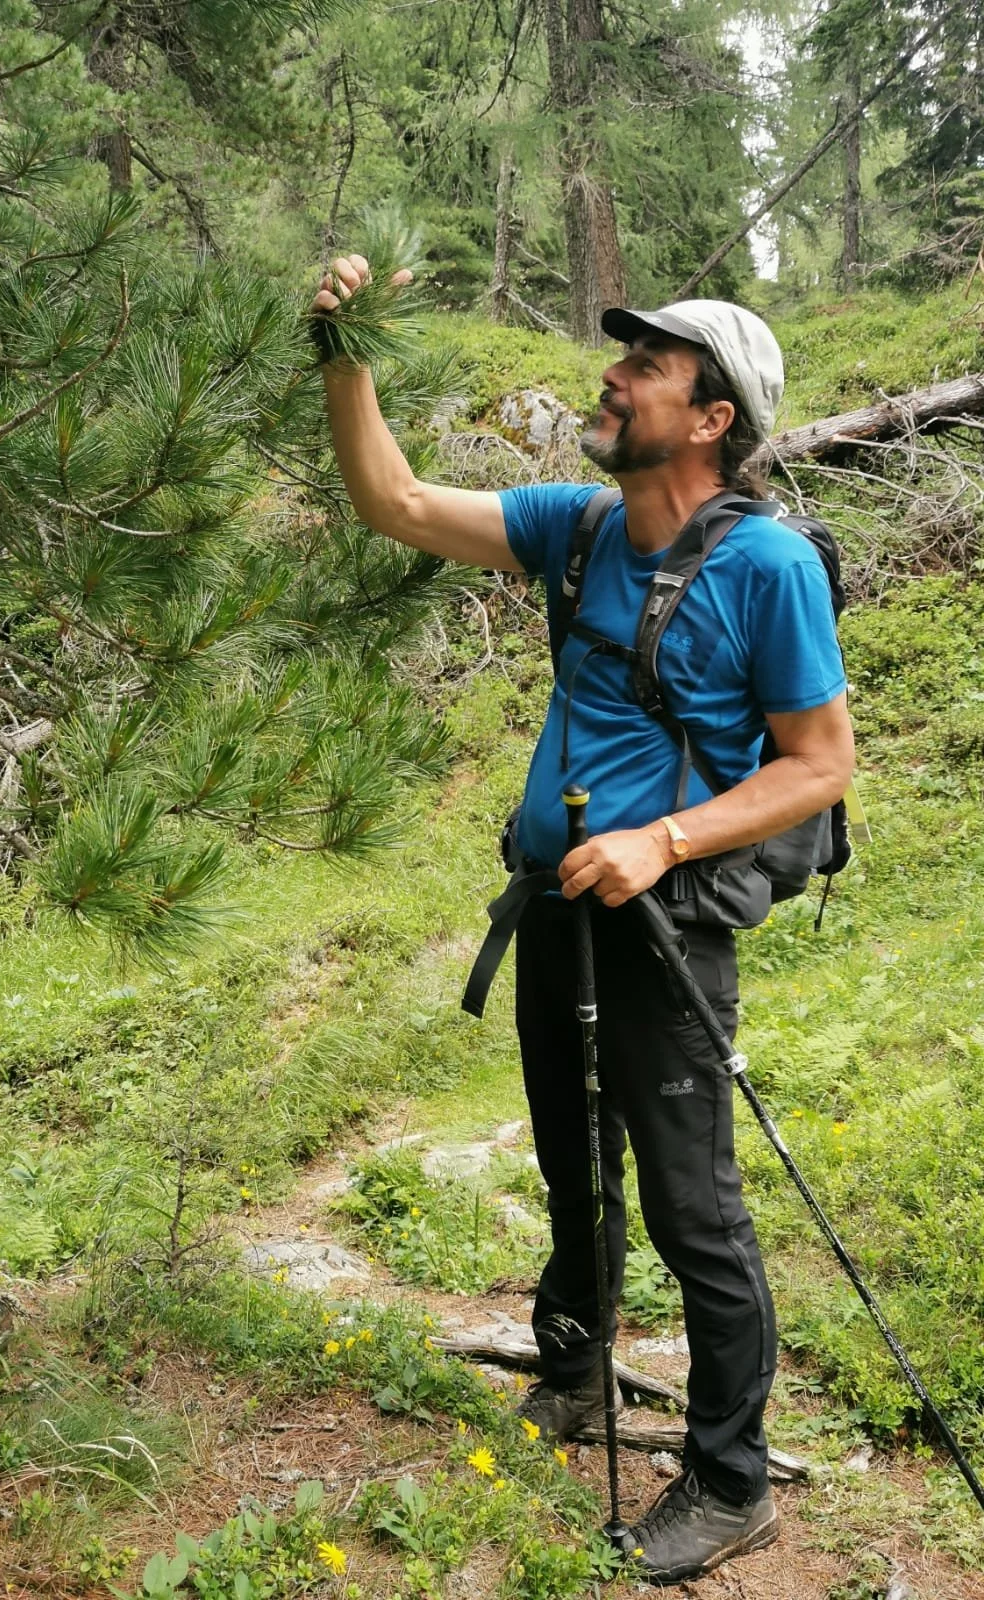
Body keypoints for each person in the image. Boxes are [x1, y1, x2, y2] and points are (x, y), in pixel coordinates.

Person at [311, 256, 855, 1585]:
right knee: (575, 1163)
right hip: (556, 906)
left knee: (691, 1207)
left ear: (713, 415)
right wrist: (344, 348)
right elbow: (392, 500)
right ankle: (574, 1373)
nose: (608, 379)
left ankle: (731, 1480)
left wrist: (663, 836)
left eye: (643, 367)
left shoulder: (768, 567)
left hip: (667, 930)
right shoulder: (580, 526)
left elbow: (820, 760)